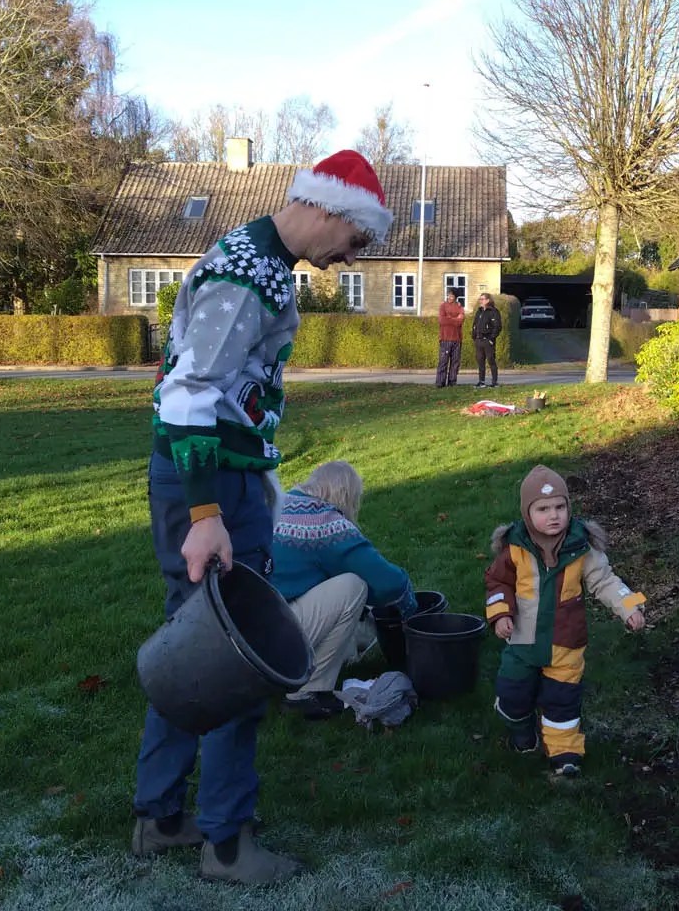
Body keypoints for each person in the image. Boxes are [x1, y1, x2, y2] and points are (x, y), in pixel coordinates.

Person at [132, 149, 392, 885]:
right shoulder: (248, 274)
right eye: (357, 238)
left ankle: (159, 816)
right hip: (206, 484)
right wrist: (209, 511)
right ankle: (226, 842)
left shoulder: (264, 259)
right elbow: (189, 396)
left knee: (191, 647)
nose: (352, 256)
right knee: (234, 658)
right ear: (329, 209)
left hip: (223, 478)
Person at [484, 465, 647, 777]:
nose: (553, 515)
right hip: (522, 641)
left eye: (560, 507)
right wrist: (501, 614)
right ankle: (521, 729)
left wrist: (630, 608)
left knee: (562, 701)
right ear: (527, 512)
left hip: (566, 643)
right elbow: (497, 583)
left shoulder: (581, 547)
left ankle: (565, 754)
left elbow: (607, 581)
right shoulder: (515, 548)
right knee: (513, 695)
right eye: (543, 509)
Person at [269, 461, 419, 720]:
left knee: (346, 596)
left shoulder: (282, 504)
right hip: (276, 638)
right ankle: (307, 692)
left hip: (248, 632)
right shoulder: (325, 521)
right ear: (346, 494)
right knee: (354, 586)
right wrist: (411, 610)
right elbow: (388, 583)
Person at [471, 292, 503, 388]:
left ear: (488, 300)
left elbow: (497, 327)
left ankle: (494, 382)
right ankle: (481, 381)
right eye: (480, 299)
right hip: (478, 340)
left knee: (491, 360)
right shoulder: (479, 311)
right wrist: (474, 336)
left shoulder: (493, 312)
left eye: (482, 299)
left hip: (488, 340)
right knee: (480, 361)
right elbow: (475, 324)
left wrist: (491, 338)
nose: (480, 301)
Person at [435, 288, 464, 387]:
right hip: (445, 338)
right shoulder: (443, 306)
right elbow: (442, 320)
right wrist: (454, 319)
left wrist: (449, 318)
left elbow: (460, 321)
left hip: (457, 339)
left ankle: (452, 381)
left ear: (455, 297)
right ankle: (440, 382)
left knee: (455, 362)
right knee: (443, 361)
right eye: (448, 295)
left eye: (451, 296)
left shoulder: (459, 307)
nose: (449, 297)